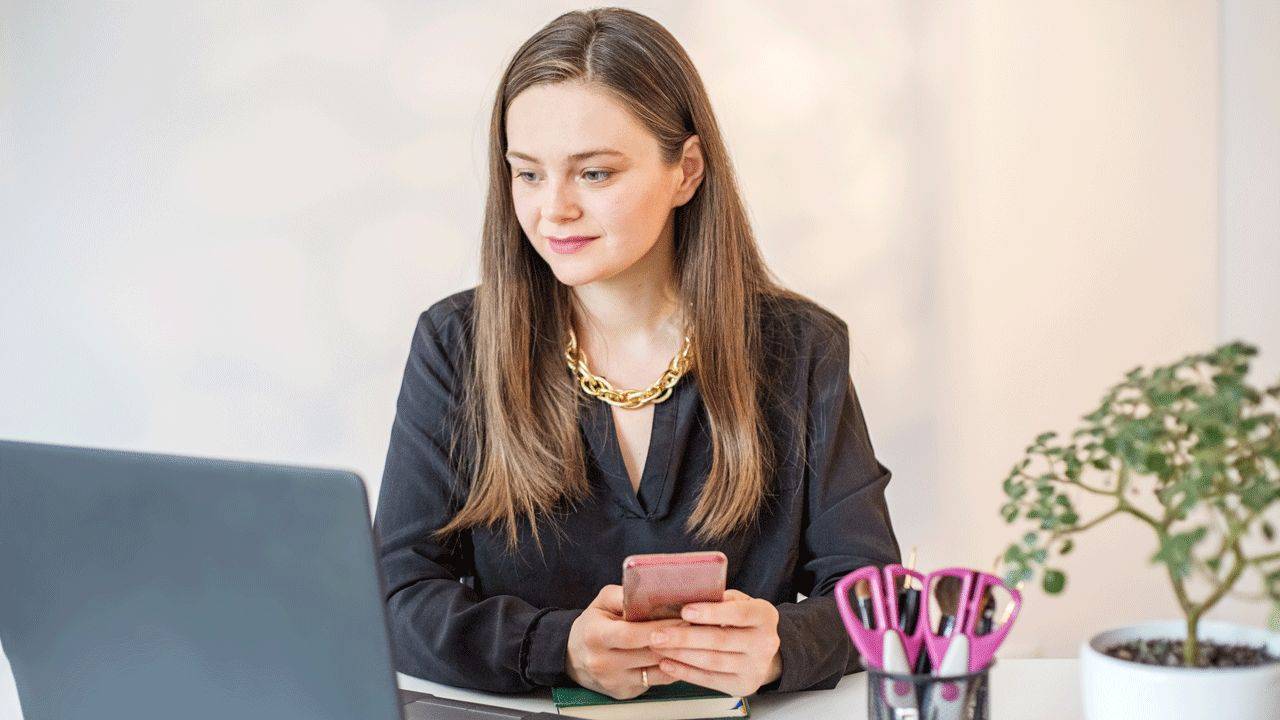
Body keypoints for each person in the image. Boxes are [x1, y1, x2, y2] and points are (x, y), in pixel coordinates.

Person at [373, 6, 900, 701]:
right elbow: (394, 594)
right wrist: (557, 647)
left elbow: (876, 601)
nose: (552, 209)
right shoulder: (455, 344)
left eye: (593, 174)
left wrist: (781, 647)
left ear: (685, 171)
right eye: (527, 174)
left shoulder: (802, 349)